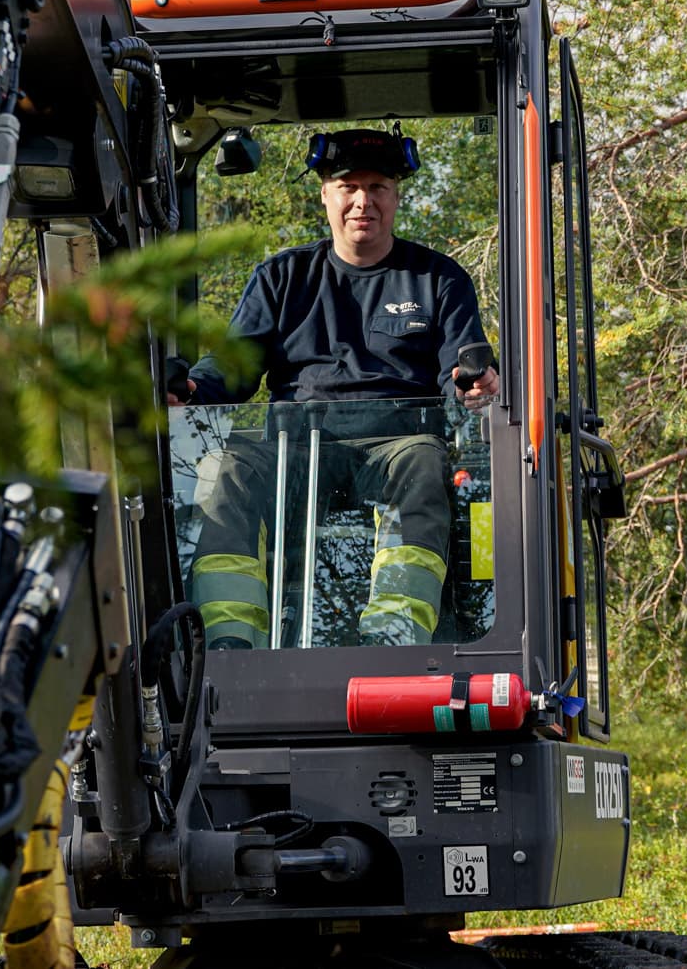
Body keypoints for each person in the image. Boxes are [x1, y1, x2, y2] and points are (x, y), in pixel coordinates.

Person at [171, 129, 499, 649]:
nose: (362, 201)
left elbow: (460, 367)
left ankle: (394, 635)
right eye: (348, 186)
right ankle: (229, 644)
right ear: (325, 193)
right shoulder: (282, 278)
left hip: (394, 449)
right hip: (295, 452)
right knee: (223, 469)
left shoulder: (439, 280)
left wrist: (473, 383)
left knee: (424, 461)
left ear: (396, 196)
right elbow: (230, 367)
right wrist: (189, 389)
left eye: (377, 186)